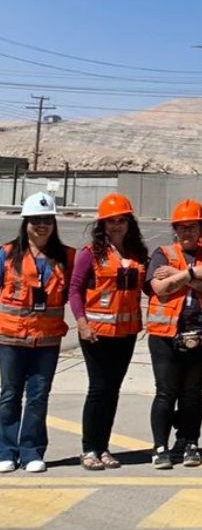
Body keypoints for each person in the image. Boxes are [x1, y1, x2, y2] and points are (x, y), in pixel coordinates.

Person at [70, 194, 147, 471]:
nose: (117, 226)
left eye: (121, 220)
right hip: (96, 334)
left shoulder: (136, 253)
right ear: (102, 224)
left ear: (129, 223)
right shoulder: (90, 253)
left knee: (112, 391)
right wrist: (81, 322)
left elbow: (149, 286)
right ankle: (89, 448)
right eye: (111, 221)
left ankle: (103, 448)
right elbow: (75, 289)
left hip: (125, 334)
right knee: (98, 389)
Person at [0, 192, 74, 473]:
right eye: (35, 220)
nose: (41, 225)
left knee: (38, 396)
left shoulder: (66, 256)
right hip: (10, 339)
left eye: (47, 220)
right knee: (9, 394)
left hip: (47, 341)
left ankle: (31, 451)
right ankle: (6, 450)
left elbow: (75, 291)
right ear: (25, 222)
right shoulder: (6, 254)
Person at [145, 200, 202, 469]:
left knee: (192, 392)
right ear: (174, 230)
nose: (187, 232)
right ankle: (160, 447)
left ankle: (190, 442)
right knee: (165, 392)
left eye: (193, 227)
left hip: (199, 333)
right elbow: (159, 288)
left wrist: (178, 275)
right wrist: (192, 274)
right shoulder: (161, 253)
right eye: (182, 227)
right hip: (165, 335)